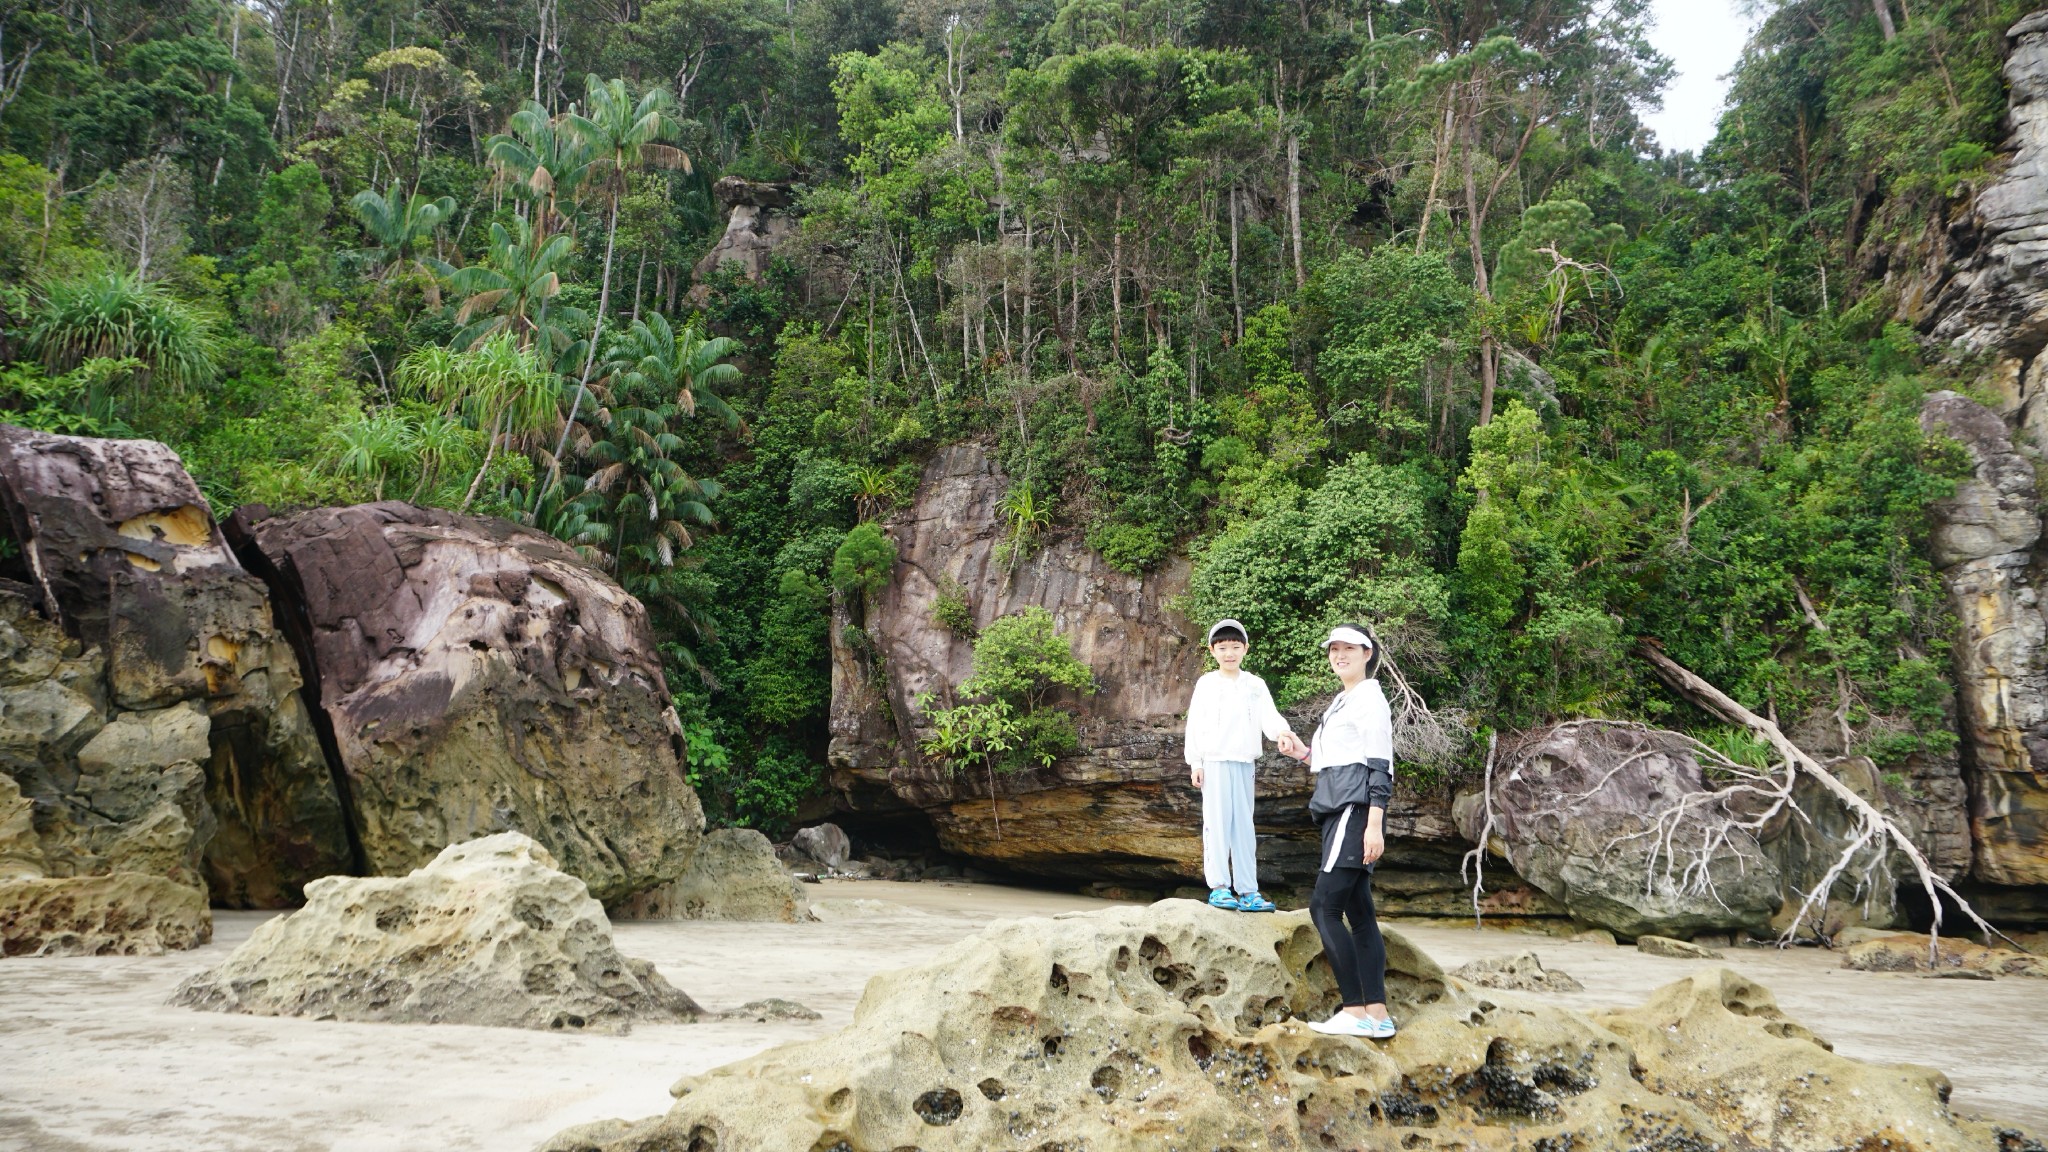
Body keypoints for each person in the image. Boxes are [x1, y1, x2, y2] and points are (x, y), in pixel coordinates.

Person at [1290, 622, 1397, 1039]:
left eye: (1349, 648)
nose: (1339, 655)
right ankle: (1377, 1015)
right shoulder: (1343, 700)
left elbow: (1379, 765)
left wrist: (1375, 825)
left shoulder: (1370, 699)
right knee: (1361, 913)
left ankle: (1353, 1010)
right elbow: (1335, 758)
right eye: (1334, 649)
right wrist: (1302, 752)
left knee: (1323, 908)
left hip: (1354, 811)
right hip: (1340, 809)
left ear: (1367, 653)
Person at [1183, 618, 1306, 912]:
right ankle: (1219, 888)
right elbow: (1194, 725)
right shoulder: (1207, 683)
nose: (1229, 653)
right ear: (1212, 650)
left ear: (1245, 649)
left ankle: (1249, 891)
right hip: (1213, 762)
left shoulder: (1255, 685)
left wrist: (1283, 734)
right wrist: (1195, 763)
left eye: (1235, 647)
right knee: (1217, 824)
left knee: (1243, 827)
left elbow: (1270, 717)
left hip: (1244, 762)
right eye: (1223, 647)